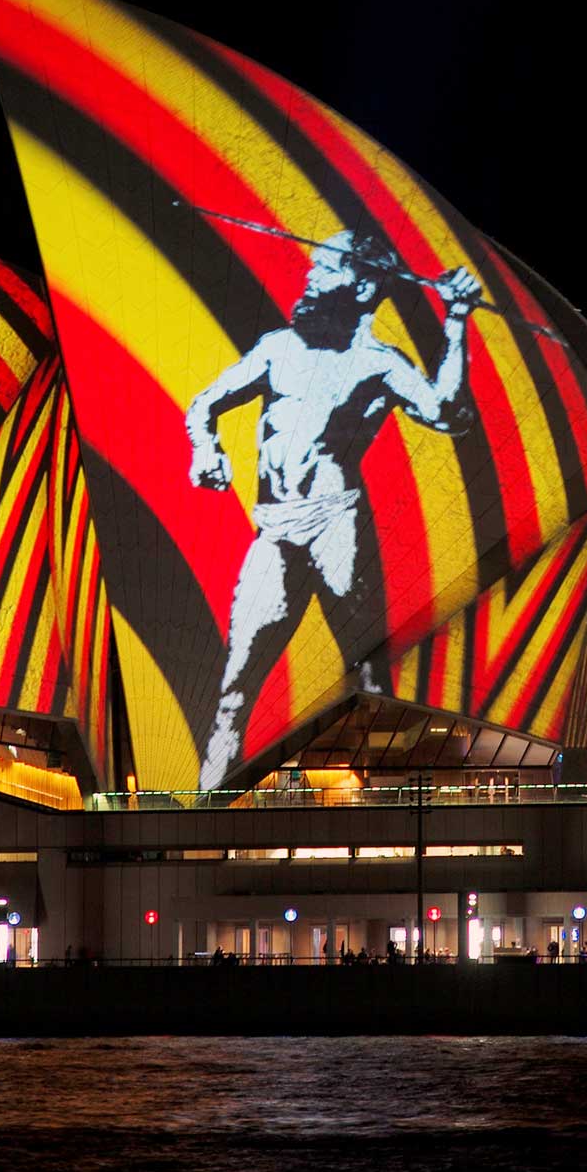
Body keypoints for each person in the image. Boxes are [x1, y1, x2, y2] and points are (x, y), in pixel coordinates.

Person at [186, 232, 482, 789]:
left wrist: (457, 320)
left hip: (336, 527)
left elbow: (447, 413)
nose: (312, 276)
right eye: (315, 266)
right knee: (233, 687)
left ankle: (387, 800)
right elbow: (204, 404)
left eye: (327, 268)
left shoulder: (377, 363)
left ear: (365, 286)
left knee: (369, 677)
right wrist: (208, 451)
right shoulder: (279, 348)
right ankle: (203, 808)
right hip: (274, 532)